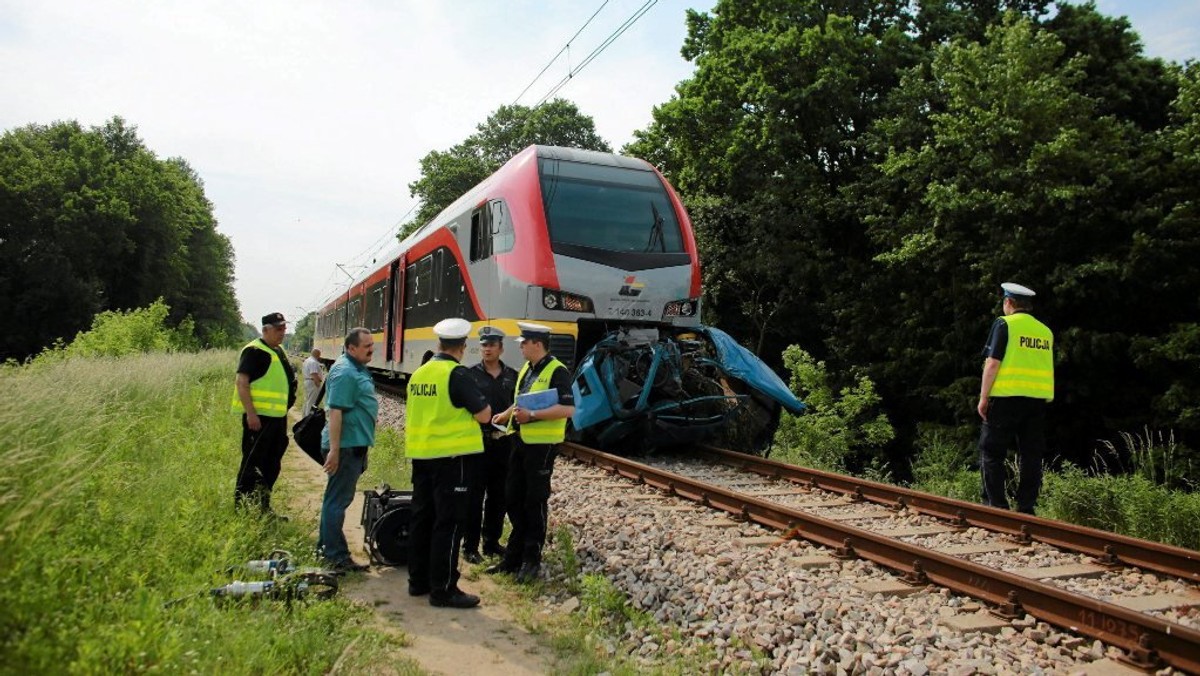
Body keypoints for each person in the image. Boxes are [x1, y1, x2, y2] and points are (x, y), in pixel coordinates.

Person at [405, 318, 492, 608]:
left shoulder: (420, 374)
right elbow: (484, 415)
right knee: (450, 523)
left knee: (422, 518)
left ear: (438, 343)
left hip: (422, 457)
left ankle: (417, 582)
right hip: (452, 461)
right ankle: (443, 588)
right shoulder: (457, 375)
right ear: (463, 347)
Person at [487, 322, 574, 583]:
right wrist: (508, 412)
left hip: (542, 447)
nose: (521, 347)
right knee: (513, 498)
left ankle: (530, 560)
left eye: (524, 343)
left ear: (537, 344)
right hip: (520, 441)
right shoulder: (528, 368)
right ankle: (513, 557)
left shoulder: (558, 371)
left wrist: (532, 415)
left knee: (534, 502)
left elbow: (568, 410)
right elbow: (524, 397)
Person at [977, 282, 1055, 515]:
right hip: (1037, 401)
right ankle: (1026, 507)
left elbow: (992, 363)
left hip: (1005, 398)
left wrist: (983, 397)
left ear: (1008, 303)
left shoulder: (1004, 324)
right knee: (1031, 455)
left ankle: (997, 506)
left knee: (992, 451)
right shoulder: (1045, 331)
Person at [317, 328, 379, 573]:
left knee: (335, 499)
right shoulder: (345, 372)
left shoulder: (355, 368)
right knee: (337, 501)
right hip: (344, 447)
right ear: (351, 348)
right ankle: (335, 557)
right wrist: (334, 450)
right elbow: (335, 412)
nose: (372, 349)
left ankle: (327, 548)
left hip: (352, 445)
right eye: (367, 346)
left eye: (372, 345)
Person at [462, 326, 518, 564]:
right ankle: (470, 546)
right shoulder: (469, 375)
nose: (487, 349)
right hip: (478, 444)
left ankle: (491, 542)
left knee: (498, 496)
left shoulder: (513, 376)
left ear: (501, 348)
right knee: (474, 497)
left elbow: (518, 405)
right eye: (484, 345)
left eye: (492, 345)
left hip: (504, 445)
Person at [232, 312, 297, 515]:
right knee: (252, 464)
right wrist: (251, 414)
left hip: (277, 420)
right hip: (259, 421)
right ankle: (242, 508)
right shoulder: (254, 351)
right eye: (278, 329)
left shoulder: (278, 351)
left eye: (284, 329)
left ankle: (263, 506)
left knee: (271, 465)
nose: (282, 333)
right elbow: (242, 383)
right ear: (266, 329)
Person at [302, 348, 325, 412]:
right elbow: (314, 374)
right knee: (312, 402)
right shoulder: (313, 362)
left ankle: (304, 417)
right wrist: (318, 384)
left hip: (307, 381)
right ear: (318, 354)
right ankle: (308, 419)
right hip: (312, 383)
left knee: (307, 401)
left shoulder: (307, 360)